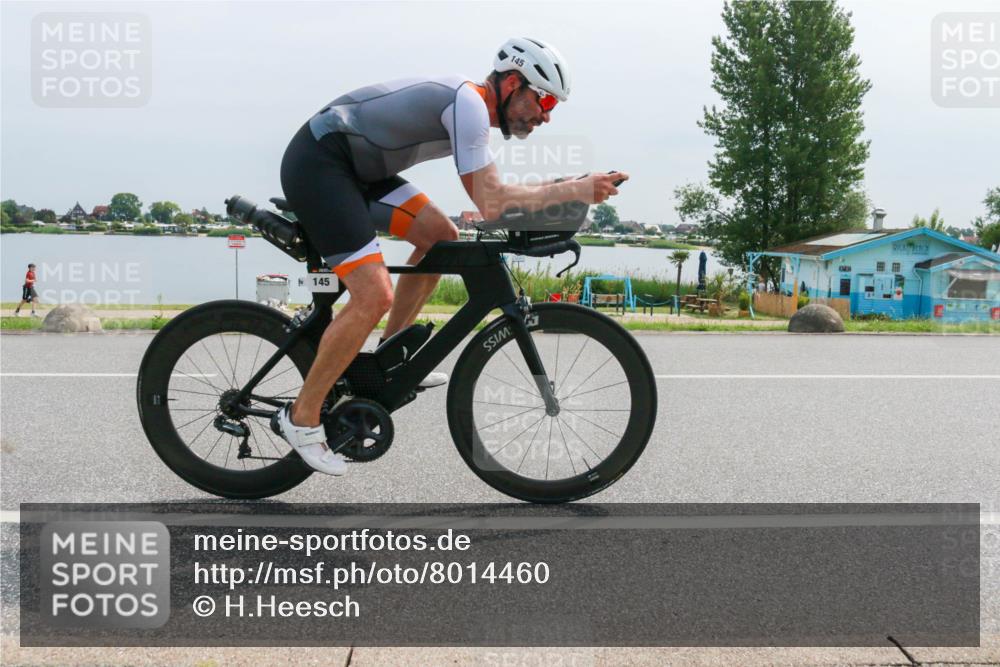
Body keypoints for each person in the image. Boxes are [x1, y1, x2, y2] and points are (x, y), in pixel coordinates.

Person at [277, 37, 627, 475]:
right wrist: (576, 188)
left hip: (359, 172)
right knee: (372, 296)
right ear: (514, 82)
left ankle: (390, 354)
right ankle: (302, 418)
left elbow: (495, 195)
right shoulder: (469, 105)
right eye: (544, 100)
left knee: (440, 237)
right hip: (321, 163)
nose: (546, 115)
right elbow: (493, 203)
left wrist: (571, 185)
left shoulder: (472, 109)